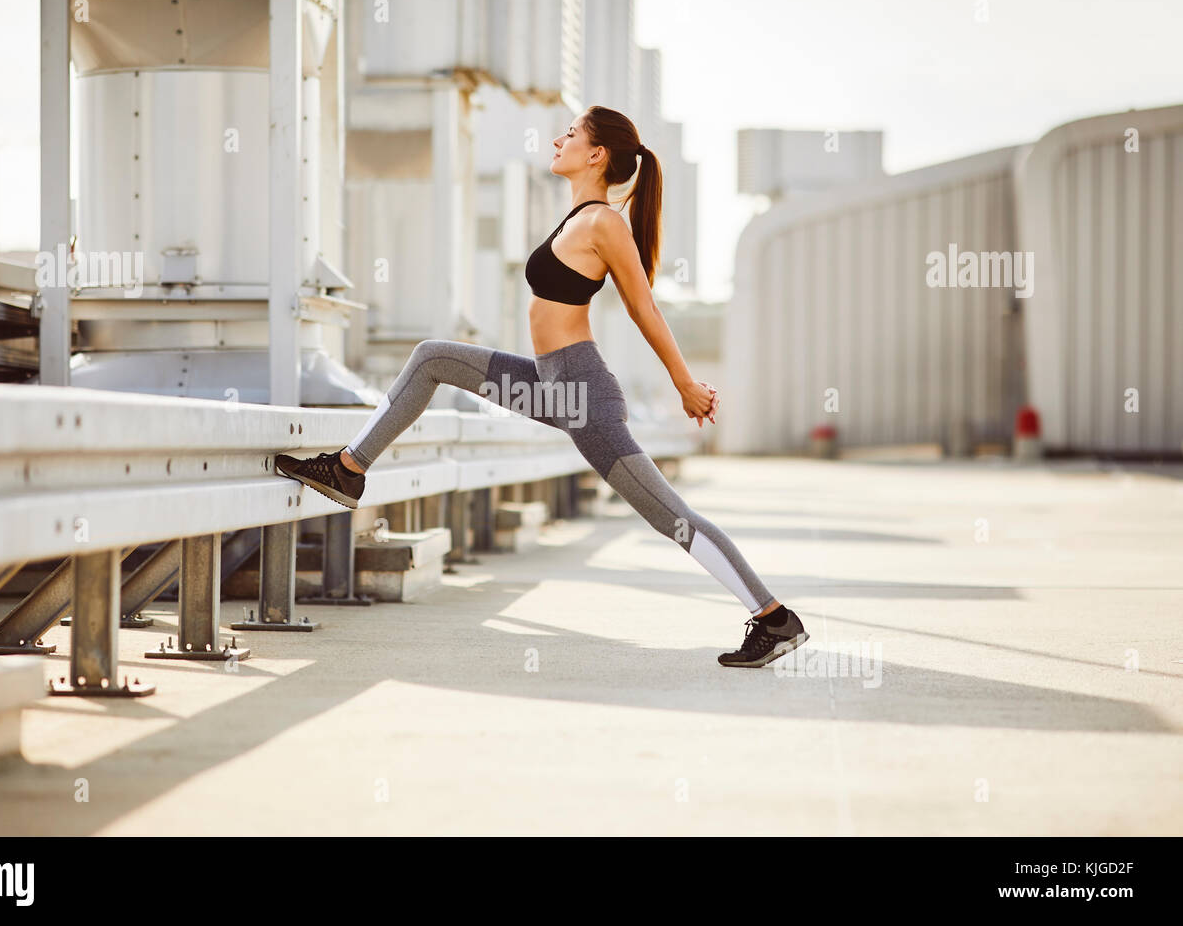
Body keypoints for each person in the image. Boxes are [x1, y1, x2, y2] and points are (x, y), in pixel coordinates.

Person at [276, 105, 809, 668]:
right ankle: (348, 468)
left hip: (581, 396)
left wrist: (684, 383)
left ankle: (774, 619)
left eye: (572, 134)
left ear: (597, 154)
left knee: (669, 516)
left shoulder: (605, 222)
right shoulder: (577, 217)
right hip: (549, 384)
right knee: (433, 357)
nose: (559, 140)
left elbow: (642, 306)